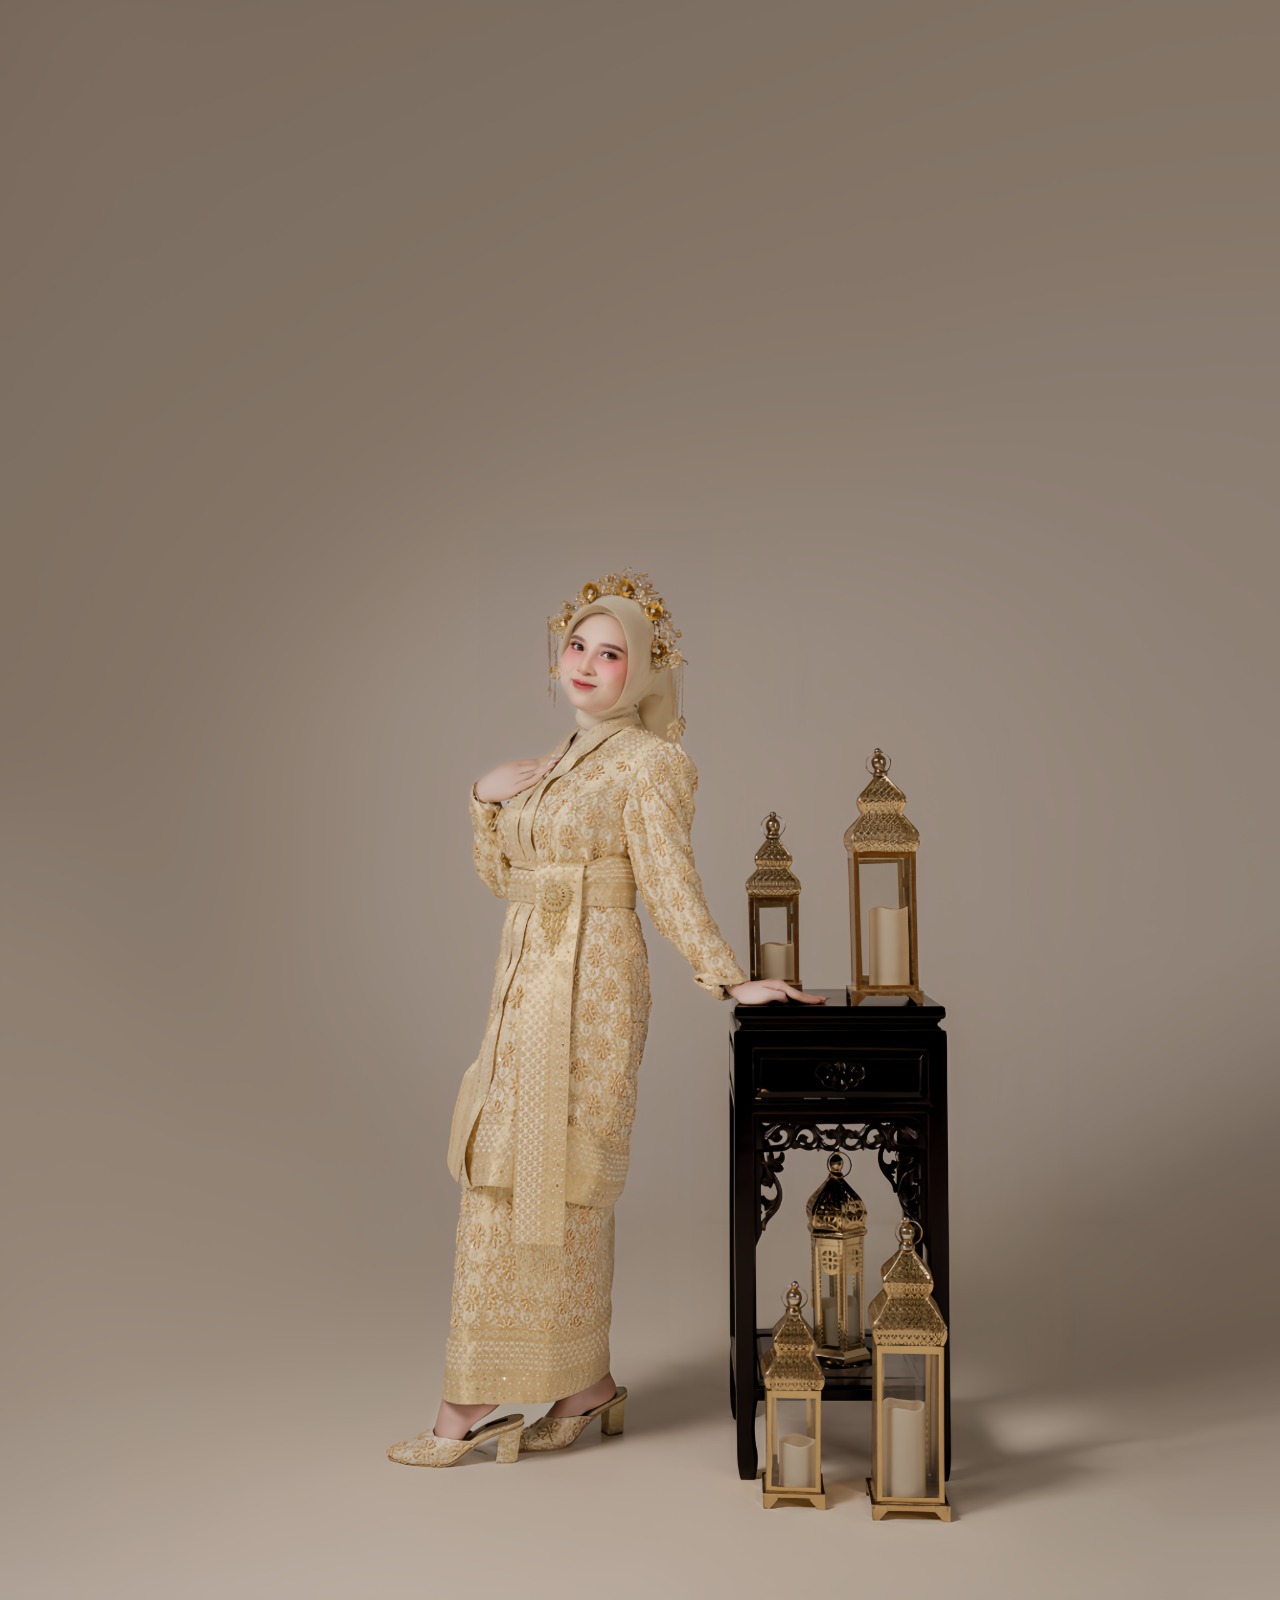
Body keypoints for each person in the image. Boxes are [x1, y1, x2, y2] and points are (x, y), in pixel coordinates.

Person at [386, 569, 824, 1468]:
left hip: (591, 990)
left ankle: (467, 1404)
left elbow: (666, 879)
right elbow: (505, 881)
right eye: (576, 645)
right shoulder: (554, 763)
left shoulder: (651, 762)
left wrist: (728, 978)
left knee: (560, 1177)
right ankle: (585, 1385)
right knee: (502, 1169)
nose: (585, 663)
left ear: (646, 671)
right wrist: (486, 798)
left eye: (611, 652)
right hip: (525, 983)